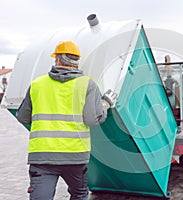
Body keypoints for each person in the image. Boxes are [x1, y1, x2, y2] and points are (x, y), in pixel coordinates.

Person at [16, 40, 117, 200]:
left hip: (42, 157)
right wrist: (105, 103)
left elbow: (22, 116)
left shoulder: (37, 84)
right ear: (77, 62)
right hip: (74, 156)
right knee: (79, 194)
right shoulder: (87, 85)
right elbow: (93, 119)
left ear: (57, 60)